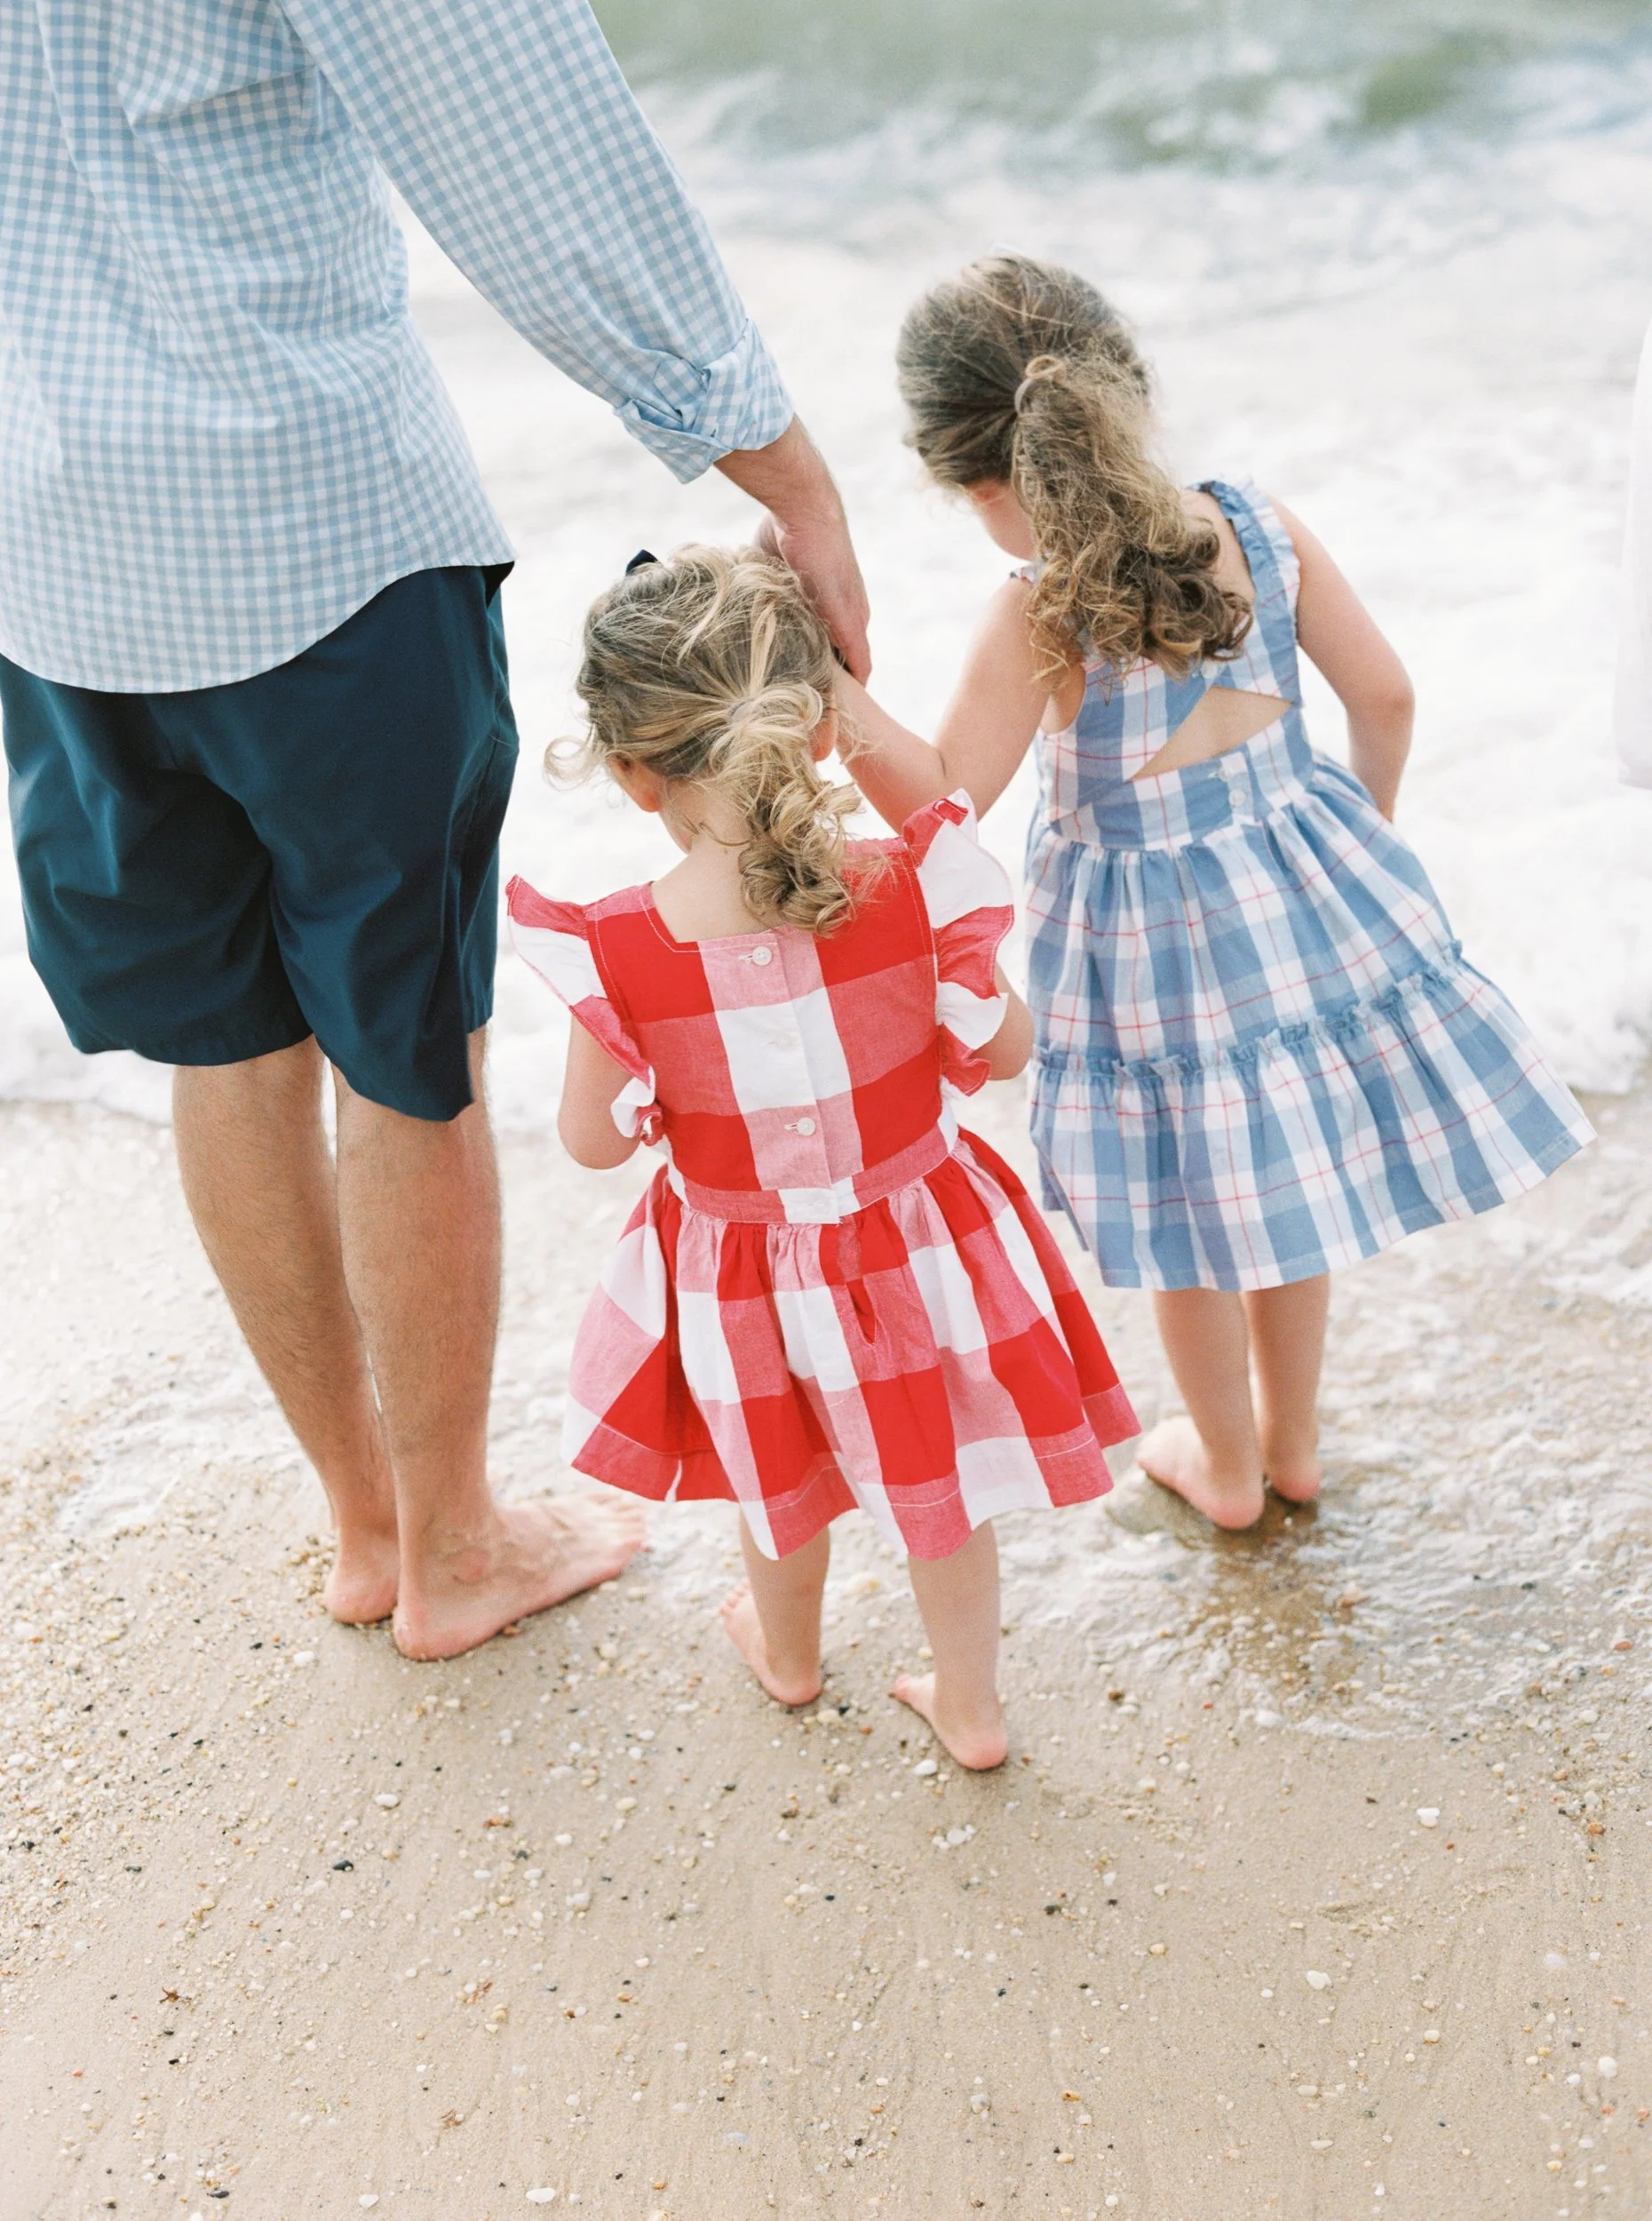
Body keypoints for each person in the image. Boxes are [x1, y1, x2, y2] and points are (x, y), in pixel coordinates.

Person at [0, 1, 870, 1660]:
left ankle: (368, 1523)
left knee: (228, 1042)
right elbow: (533, 153)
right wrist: (787, 470)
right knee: (405, 1049)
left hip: (49, 556)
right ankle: (453, 1552)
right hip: (306, 527)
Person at [837, 253, 1592, 1532]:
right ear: (1125, 392)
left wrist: (832, 695)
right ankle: (1293, 1445)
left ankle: (1228, 1469)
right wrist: (1359, 839)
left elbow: (944, 800)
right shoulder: (1254, 522)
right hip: (1302, 894)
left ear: (973, 482)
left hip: (1146, 959)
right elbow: (1389, 695)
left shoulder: (1041, 610)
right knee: (1282, 1190)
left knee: (1189, 1214)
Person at [505, 546, 1137, 1766]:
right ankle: (972, 1707)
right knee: (942, 1489)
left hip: (745, 1278)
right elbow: (1006, 1051)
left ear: (635, 775)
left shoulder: (624, 949)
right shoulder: (909, 888)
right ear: (816, 728)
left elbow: (591, 1144)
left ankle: (790, 1660)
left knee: (776, 1480)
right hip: (923, 1246)